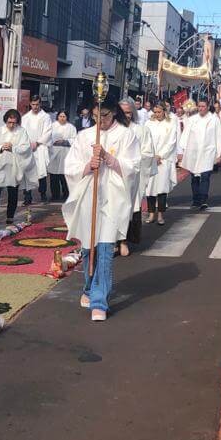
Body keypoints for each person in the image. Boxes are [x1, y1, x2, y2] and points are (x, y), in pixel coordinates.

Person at [62, 102, 140, 322]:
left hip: (113, 198)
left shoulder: (126, 135)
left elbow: (133, 166)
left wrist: (108, 158)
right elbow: (71, 166)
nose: (100, 121)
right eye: (95, 116)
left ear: (113, 112)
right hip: (89, 196)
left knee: (105, 248)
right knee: (88, 248)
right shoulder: (84, 136)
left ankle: (99, 301)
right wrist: (89, 166)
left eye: (104, 115)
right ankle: (88, 287)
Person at [120, 98, 155, 257]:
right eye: (122, 112)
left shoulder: (142, 130)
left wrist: (132, 163)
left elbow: (148, 153)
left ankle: (124, 240)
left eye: (128, 112)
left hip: (133, 176)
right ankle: (114, 241)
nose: (125, 115)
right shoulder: (112, 130)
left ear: (133, 113)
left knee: (130, 208)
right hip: (115, 175)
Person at [0, 109, 32, 225]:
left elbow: (26, 147)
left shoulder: (22, 132)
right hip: (0, 164)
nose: (11, 125)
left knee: (13, 190)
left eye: (14, 123)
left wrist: (13, 147)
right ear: (5, 121)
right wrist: (1, 147)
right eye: (9, 122)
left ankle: (10, 215)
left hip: (14, 164)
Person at [178, 99, 221, 210]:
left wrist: (219, 154)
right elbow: (185, 135)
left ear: (207, 107)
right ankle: (196, 200)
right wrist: (181, 151)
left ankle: (203, 200)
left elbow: (218, 137)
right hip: (193, 151)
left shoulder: (214, 119)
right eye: (199, 106)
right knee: (194, 177)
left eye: (203, 106)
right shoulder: (192, 119)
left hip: (208, 152)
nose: (201, 108)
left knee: (205, 176)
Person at [145, 103, 178, 226]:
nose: (157, 114)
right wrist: (152, 156)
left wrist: (160, 155)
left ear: (164, 111)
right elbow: (145, 140)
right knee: (150, 188)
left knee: (161, 188)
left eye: (159, 112)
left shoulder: (171, 123)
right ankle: (151, 213)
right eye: (155, 112)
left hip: (164, 160)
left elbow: (171, 142)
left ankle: (160, 214)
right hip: (151, 158)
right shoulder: (149, 124)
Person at [21, 95, 52, 204]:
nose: (35, 106)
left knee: (41, 172)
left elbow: (48, 132)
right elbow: (22, 132)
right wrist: (27, 144)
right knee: (27, 172)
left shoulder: (45, 117)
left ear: (40, 104)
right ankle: (27, 196)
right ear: (30, 104)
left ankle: (43, 194)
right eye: (33, 104)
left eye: (37, 104)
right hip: (28, 147)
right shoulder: (25, 118)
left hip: (40, 147)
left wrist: (38, 143)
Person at [47, 110, 76, 202]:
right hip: (54, 153)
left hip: (65, 153)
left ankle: (66, 194)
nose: (62, 118)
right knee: (54, 176)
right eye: (60, 116)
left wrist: (64, 142)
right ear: (57, 117)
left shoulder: (71, 127)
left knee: (64, 175)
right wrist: (54, 142)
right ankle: (55, 195)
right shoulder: (52, 126)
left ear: (67, 117)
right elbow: (47, 137)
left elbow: (74, 139)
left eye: (64, 116)